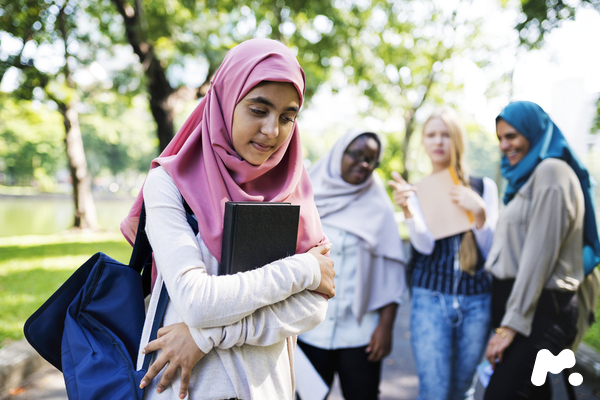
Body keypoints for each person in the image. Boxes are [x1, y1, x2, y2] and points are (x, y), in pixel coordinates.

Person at [119, 39, 336, 400]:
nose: (272, 131)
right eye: (258, 110)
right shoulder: (170, 183)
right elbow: (198, 302)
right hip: (187, 388)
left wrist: (207, 336)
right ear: (224, 101)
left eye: (287, 117)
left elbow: (313, 306)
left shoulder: (293, 187)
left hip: (268, 389)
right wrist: (305, 271)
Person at [483, 101, 600, 399]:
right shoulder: (528, 178)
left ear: (534, 132)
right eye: (500, 138)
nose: (504, 145)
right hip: (520, 305)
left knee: (501, 395)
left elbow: (539, 256)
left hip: (540, 309)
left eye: (512, 136)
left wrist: (509, 327)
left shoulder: (552, 172)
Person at [389, 107, 498, 400]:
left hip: (477, 302)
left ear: (457, 140)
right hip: (430, 299)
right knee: (434, 392)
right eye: (431, 135)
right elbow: (424, 246)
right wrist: (409, 211)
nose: (438, 142)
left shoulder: (483, 187)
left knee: (462, 390)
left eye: (445, 135)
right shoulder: (418, 191)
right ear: (423, 142)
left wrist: (480, 213)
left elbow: (490, 253)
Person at [297, 129, 407, 399]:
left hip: (361, 334)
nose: (364, 163)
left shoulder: (378, 207)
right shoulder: (305, 199)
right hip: (309, 330)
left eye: (372, 159)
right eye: (356, 154)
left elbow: (392, 271)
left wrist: (386, 326)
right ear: (339, 153)